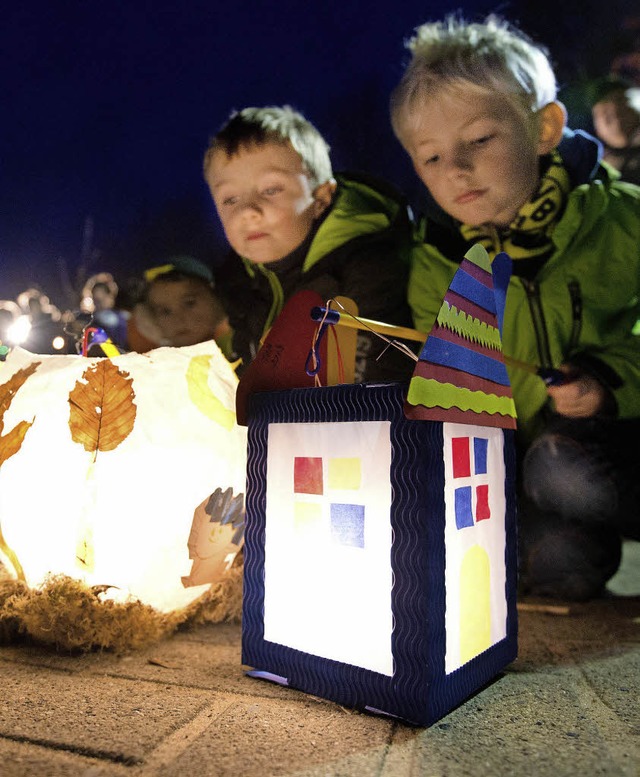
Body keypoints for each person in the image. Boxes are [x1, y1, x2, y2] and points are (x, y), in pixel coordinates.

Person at [390, 15, 640, 600]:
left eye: (478, 140)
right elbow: (443, 370)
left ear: (544, 128)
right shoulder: (437, 260)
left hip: (616, 437)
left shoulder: (625, 220)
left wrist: (609, 381)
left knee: (565, 471)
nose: (454, 169)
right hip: (519, 463)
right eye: (430, 158)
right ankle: (570, 548)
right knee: (553, 562)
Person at [202, 105, 416, 383]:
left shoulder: (368, 268)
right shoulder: (239, 281)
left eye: (271, 190)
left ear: (321, 199)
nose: (247, 212)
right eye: (230, 199)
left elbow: (373, 384)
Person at [129, 255, 232, 352]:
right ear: (150, 319)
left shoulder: (238, 346)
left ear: (216, 300)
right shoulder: (156, 365)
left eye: (190, 303)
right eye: (165, 311)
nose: (178, 319)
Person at [590, 77, 640, 185]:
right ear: (597, 128)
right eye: (606, 114)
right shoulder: (593, 170)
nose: (616, 117)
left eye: (621, 103)